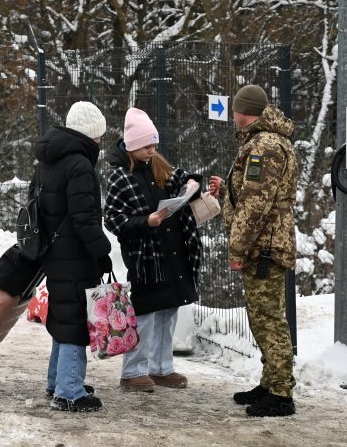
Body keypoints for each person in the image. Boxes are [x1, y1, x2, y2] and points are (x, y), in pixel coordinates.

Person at [208, 84, 298, 417]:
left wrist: (238, 248)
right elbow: (249, 192)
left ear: (244, 112)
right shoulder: (264, 142)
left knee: (269, 319)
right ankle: (271, 382)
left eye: (234, 110)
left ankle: (281, 393)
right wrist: (226, 188)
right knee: (262, 317)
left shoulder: (265, 146)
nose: (232, 116)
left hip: (264, 247)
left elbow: (256, 205)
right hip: (265, 243)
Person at [103, 107, 204, 393]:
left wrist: (193, 184)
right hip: (146, 259)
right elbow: (114, 219)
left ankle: (161, 368)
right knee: (145, 315)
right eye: (147, 145)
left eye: (154, 145)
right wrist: (146, 221)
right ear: (133, 146)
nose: (152, 150)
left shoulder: (159, 167)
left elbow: (185, 179)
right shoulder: (120, 178)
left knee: (168, 311)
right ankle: (132, 371)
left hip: (172, 253)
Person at [34, 101, 113, 413]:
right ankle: (70, 392)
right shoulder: (79, 165)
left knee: (64, 318)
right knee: (76, 321)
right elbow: (85, 219)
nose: (101, 142)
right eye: (100, 136)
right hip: (76, 255)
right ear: (91, 134)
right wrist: (102, 252)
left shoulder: (48, 161)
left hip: (54, 253)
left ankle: (59, 381)